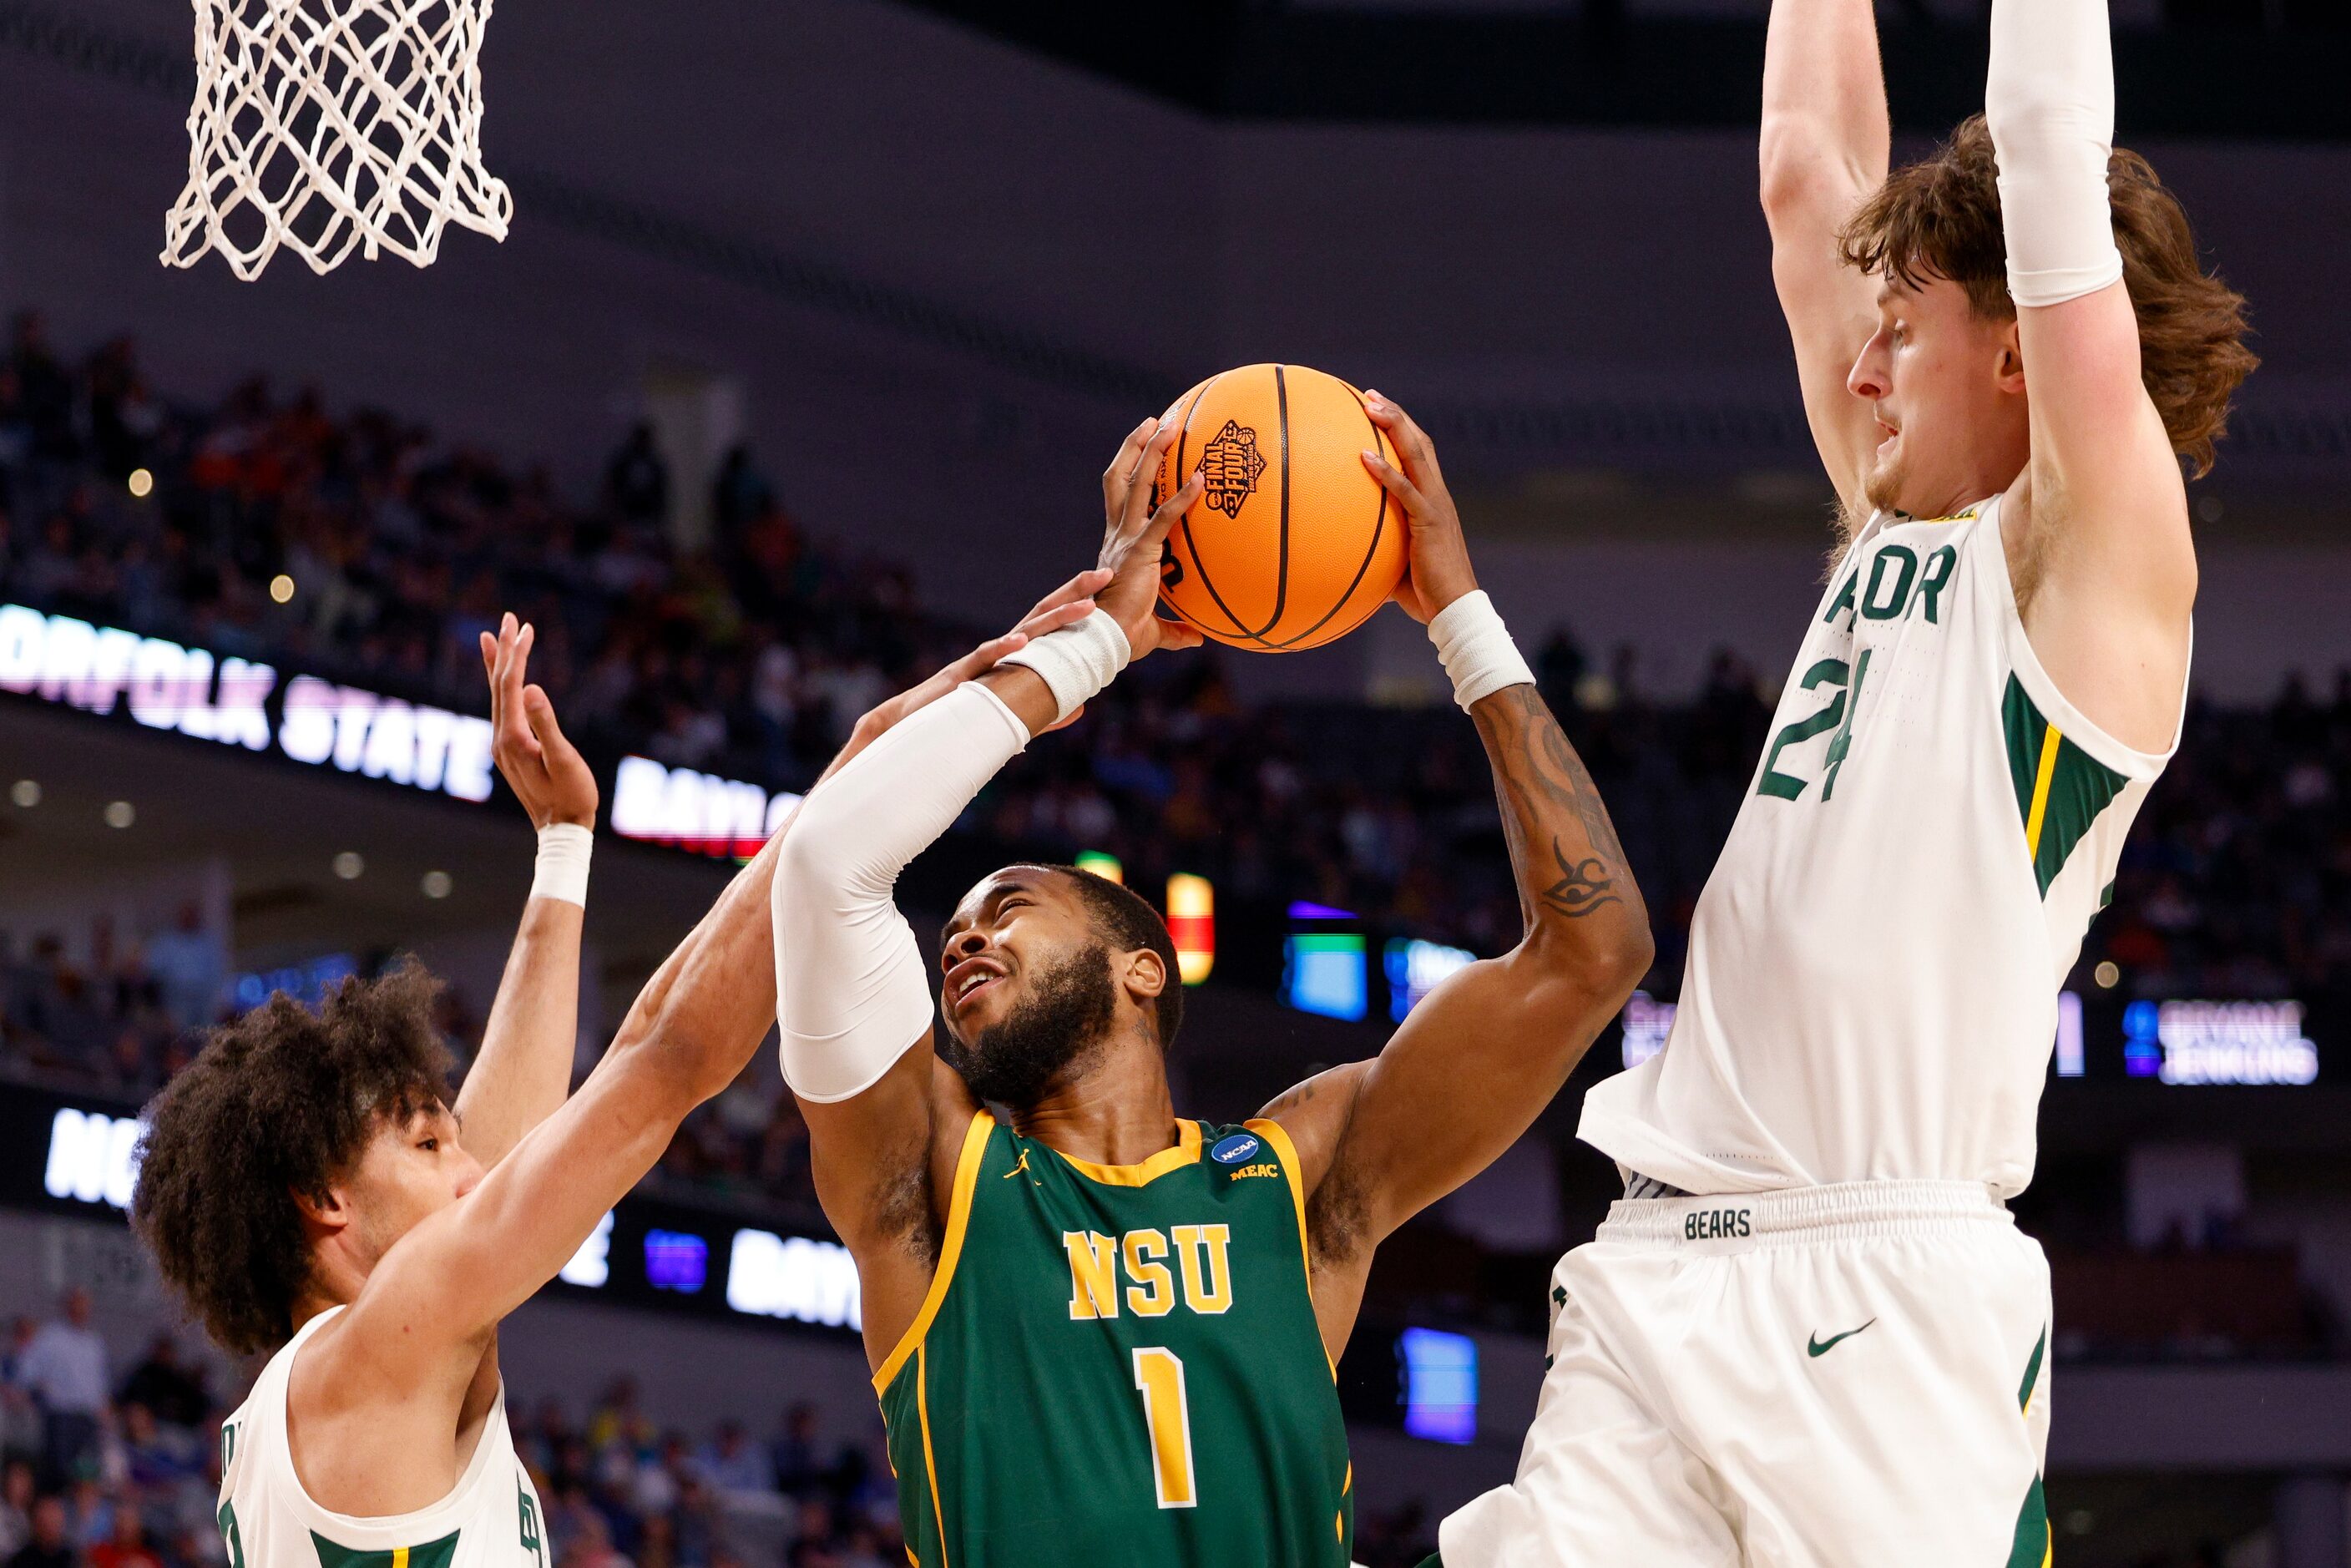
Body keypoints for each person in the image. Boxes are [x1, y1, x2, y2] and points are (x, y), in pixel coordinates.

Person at [1436, 0, 2255, 1564]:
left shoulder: (2091, 566)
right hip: (1659, 1264)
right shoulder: (1891, 522)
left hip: (1888, 1296)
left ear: (2019, 350)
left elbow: (2044, 149)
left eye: (1903, 323)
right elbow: (1804, 171)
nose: (1859, 358)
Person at [771, 406, 1653, 1565]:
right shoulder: (935, 1177)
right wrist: (1097, 647)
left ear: (1144, 965)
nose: (964, 942)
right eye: (955, 935)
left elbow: (1595, 951)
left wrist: (1459, 618)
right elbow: (831, 859)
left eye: (1010, 907)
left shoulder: (1299, 1172)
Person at [130, 594, 1099, 1568]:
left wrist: (564, 843)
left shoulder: (304, 1401)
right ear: (327, 1202)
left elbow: (507, 1152)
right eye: (426, 1146)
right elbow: (665, 1056)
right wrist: (856, 796)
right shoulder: (380, 1348)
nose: (467, 1169)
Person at [15, 1292, 105, 1488]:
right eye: (77, 1307)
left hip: (88, 1418)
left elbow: (99, 1384)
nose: (81, 1312)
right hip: (62, 1415)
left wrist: (103, 1408)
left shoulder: (94, 1343)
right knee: (60, 1472)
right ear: (68, 1308)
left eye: (85, 1308)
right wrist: (34, 1388)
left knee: (87, 1473)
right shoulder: (52, 1337)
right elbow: (27, 1368)